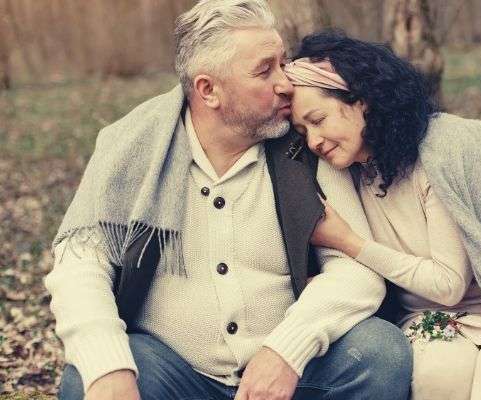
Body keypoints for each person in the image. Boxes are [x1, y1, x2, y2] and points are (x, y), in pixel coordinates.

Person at [45, 3, 413, 400]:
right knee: (86, 382)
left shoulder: (307, 145)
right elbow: (79, 266)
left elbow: (356, 273)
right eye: (264, 70)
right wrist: (108, 366)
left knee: (381, 353)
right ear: (208, 90)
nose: (286, 83)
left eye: (282, 63)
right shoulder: (131, 148)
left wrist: (286, 350)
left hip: (291, 375)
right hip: (173, 373)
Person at [284, 31, 481, 400]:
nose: (313, 141)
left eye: (318, 119)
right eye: (303, 131)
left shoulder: (440, 152)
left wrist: (348, 242)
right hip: (426, 320)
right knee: (437, 376)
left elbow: (449, 284)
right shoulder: (341, 172)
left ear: (362, 101)